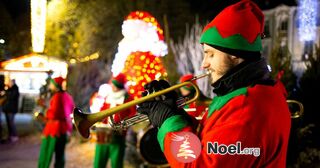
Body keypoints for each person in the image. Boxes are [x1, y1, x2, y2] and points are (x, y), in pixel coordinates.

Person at [137, 0, 291, 167]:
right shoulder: (245, 95)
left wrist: (168, 121)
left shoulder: (247, 109)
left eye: (210, 54)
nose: (204, 64)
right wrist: (176, 113)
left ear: (234, 54)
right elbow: (212, 139)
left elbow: (200, 163)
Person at [93, 73, 136, 168]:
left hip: (118, 134)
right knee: (99, 161)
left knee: (116, 163)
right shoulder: (108, 96)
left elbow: (133, 114)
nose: (111, 86)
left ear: (118, 86)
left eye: (113, 84)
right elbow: (102, 111)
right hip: (104, 133)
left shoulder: (128, 98)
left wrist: (124, 124)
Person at [38, 77, 74, 168]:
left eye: (51, 84)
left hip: (53, 129)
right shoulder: (68, 96)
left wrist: (44, 113)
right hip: (63, 129)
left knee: (45, 153)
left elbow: (54, 113)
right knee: (60, 154)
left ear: (55, 85)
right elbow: (70, 111)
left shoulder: (57, 96)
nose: (50, 85)